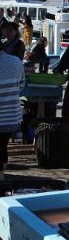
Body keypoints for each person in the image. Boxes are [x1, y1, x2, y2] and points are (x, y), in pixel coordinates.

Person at [0, 48, 25, 178]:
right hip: (11, 117)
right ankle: (2, 177)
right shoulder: (16, 61)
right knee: (2, 146)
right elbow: (21, 85)